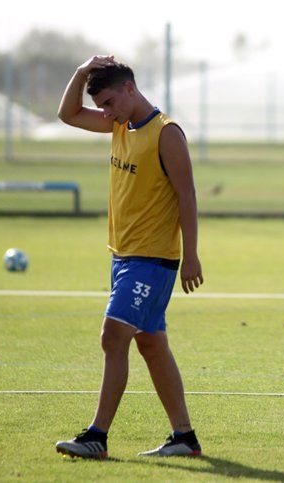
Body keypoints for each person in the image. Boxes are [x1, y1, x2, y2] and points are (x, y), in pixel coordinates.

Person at [54, 55, 204, 459]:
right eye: (101, 106)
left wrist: (191, 256)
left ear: (129, 88)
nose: (105, 112)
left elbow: (187, 195)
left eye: (109, 102)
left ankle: (96, 436)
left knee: (112, 336)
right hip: (123, 258)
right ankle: (184, 437)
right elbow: (67, 114)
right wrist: (81, 70)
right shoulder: (119, 124)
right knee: (151, 345)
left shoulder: (166, 133)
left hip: (152, 260)